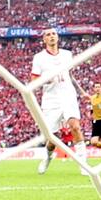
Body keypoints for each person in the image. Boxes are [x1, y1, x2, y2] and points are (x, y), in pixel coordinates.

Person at [31, 29, 91, 175]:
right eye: (48, 35)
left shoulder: (67, 54)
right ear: (44, 40)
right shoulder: (39, 58)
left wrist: (82, 92)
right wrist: (48, 79)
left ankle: (83, 164)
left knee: (75, 126)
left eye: (54, 34)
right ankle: (47, 157)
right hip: (51, 99)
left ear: (57, 38)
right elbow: (34, 81)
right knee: (52, 137)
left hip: (68, 95)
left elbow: (70, 75)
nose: (51, 36)